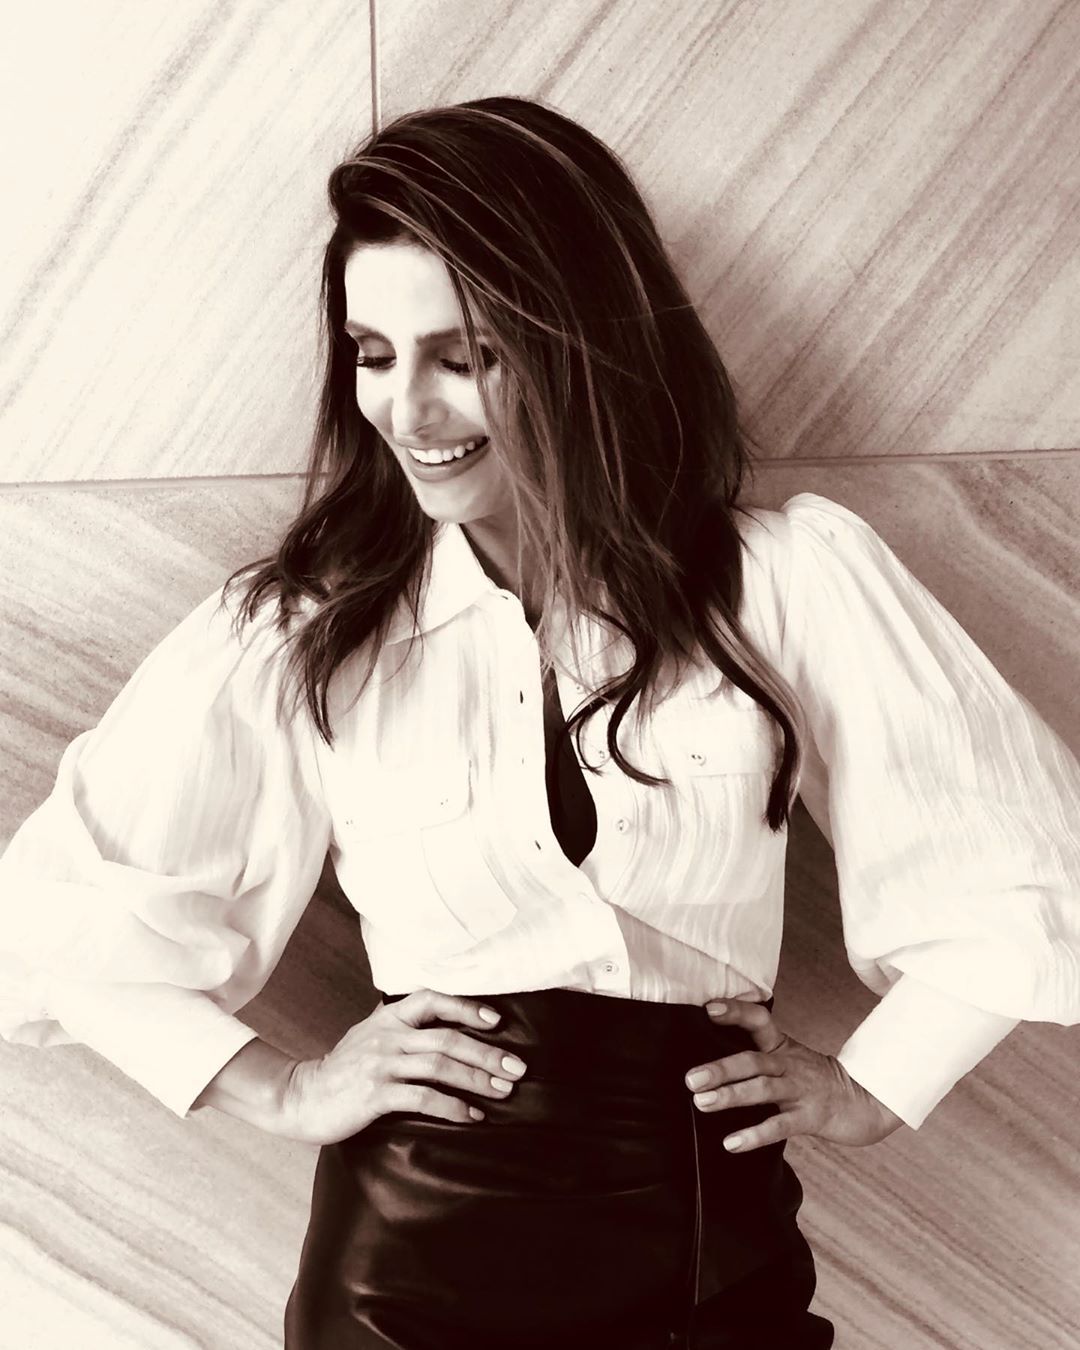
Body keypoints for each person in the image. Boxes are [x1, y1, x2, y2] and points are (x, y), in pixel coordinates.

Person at [1, 95, 1078, 1350]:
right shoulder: (305, 629)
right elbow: (58, 919)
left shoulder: (784, 582)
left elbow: (1025, 866)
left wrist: (881, 1085)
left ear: (580, 347)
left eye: (465, 356)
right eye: (373, 354)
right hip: (407, 1275)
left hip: (709, 1251)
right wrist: (282, 1089)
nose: (408, 410)